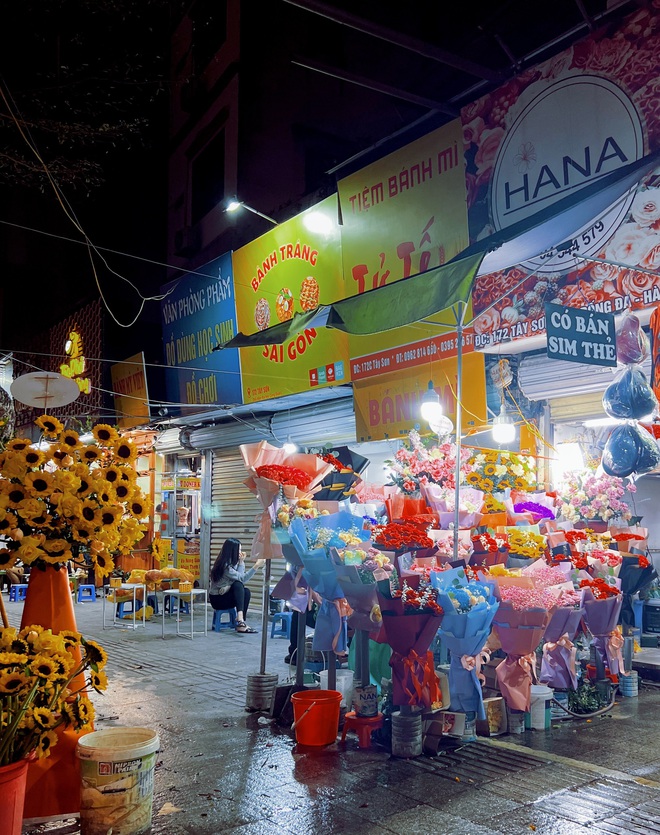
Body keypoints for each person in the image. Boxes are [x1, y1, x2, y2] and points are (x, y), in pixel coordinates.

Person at [209, 539, 265, 634]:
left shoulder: (231, 562)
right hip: (217, 599)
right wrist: (256, 566)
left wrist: (241, 562)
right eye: (239, 550)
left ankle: (241, 621)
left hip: (225, 595)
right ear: (232, 551)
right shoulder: (225, 566)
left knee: (246, 591)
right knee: (238, 584)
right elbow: (242, 579)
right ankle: (240, 620)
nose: (240, 552)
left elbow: (240, 577)